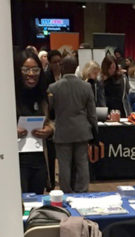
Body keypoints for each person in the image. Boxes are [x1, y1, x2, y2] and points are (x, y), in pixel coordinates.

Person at [48, 55, 97, 193]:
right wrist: (95, 131)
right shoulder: (86, 87)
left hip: (62, 132)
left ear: (62, 67)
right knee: (82, 164)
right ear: (77, 67)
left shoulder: (53, 87)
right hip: (82, 132)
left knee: (64, 166)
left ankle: (67, 193)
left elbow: (50, 110)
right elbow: (92, 114)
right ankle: (82, 192)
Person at [13, 49, 54, 193]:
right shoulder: (10, 97)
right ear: (18, 71)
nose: (31, 74)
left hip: (39, 161)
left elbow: (51, 121)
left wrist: (50, 129)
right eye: (26, 69)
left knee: (37, 204)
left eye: (35, 70)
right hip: (17, 163)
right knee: (20, 205)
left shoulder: (44, 96)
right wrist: (11, 132)